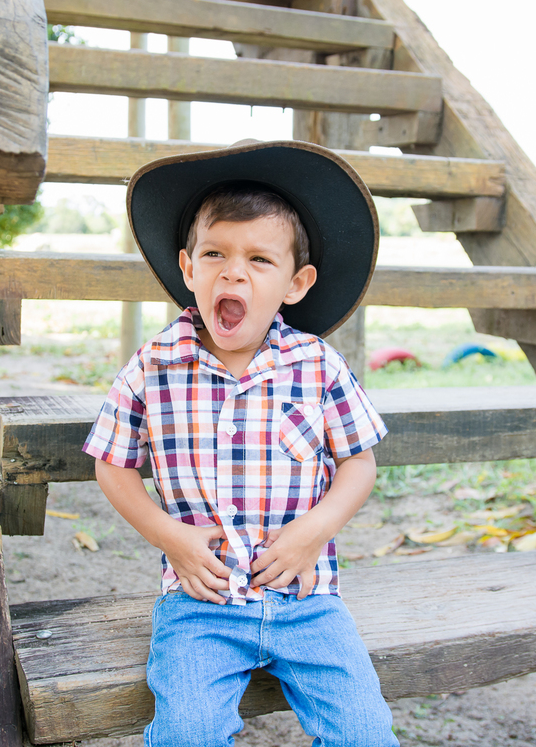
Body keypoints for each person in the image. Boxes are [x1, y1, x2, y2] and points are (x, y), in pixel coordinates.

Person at [83, 140, 399, 747]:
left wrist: (313, 531)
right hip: (199, 605)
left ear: (295, 283)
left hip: (307, 600)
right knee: (188, 733)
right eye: (215, 254)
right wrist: (170, 537)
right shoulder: (153, 366)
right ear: (188, 268)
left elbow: (358, 463)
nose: (233, 272)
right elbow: (112, 465)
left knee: (364, 733)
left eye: (259, 259)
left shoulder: (317, 365)